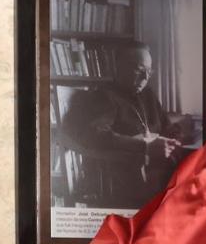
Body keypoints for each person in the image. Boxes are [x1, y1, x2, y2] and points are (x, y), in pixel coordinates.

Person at [60, 40, 189, 208]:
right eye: (139, 70)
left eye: (149, 72)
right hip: (124, 183)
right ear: (119, 68)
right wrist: (145, 146)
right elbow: (96, 135)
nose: (145, 78)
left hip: (158, 175)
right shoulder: (104, 96)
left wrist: (174, 140)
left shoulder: (148, 95)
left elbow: (167, 127)